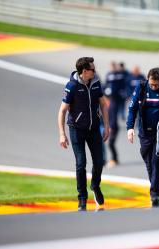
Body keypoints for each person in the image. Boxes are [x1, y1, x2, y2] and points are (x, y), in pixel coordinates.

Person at [58, 57, 110, 211]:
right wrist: (62, 134)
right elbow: (62, 111)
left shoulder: (95, 83)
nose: (95, 71)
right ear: (84, 71)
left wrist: (106, 126)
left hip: (94, 128)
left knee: (99, 162)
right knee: (81, 164)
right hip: (76, 130)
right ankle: (82, 199)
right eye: (93, 69)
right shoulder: (72, 86)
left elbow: (103, 105)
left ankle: (95, 185)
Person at [126, 67, 159, 207]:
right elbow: (132, 109)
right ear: (148, 79)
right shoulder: (141, 88)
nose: (153, 86)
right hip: (144, 132)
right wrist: (130, 128)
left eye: (156, 84)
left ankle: (155, 194)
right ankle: (157, 189)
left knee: (156, 161)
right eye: (151, 84)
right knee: (148, 161)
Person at [104, 61, 127, 167]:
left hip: (113, 128)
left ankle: (114, 159)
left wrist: (110, 128)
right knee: (108, 144)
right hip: (110, 127)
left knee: (110, 143)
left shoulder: (112, 105)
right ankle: (112, 159)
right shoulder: (108, 105)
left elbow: (112, 118)